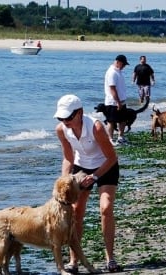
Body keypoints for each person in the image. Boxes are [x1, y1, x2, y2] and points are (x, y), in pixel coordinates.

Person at [53, 94, 123, 273]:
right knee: (75, 211)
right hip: (81, 166)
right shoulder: (61, 129)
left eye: (68, 117)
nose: (65, 121)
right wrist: (65, 180)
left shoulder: (96, 127)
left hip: (105, 166)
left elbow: (112, 157)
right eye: (62, 117)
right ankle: (73, 260)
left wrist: (95, 177)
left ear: (80, 113)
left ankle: (110, 258)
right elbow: (68, 157)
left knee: (106, 208)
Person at [104, 54, 130, 145]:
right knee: (111, 121)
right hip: (112, 102)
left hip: (122, 100)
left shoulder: (119, 71)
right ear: (118, 62)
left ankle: (121, 137)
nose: (124, 67)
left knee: (123, 120)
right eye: (123, 64)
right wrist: (118, 102)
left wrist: (122, 101)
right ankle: (110, 139)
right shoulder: (112, 72)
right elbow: (112, 88)